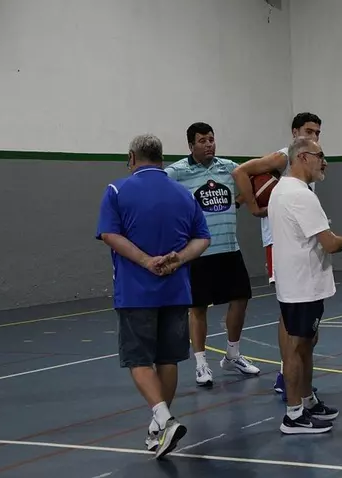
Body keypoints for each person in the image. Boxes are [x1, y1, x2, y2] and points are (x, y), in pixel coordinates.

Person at [96, 134, 211, 458]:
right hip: (176, 292)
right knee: (167, 359)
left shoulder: (117, 190)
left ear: (132, 158)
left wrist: (147, 261)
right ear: (161, 158)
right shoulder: (183, 193)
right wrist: (179, 258)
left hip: (135, 293)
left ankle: (164, 419)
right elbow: (202, 239)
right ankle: (159, 428)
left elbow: (110, 234)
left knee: (138, 360)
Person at [230, 112, 323, 399]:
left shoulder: (307, 161)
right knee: (288, 312)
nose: (314, 136)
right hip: (279, 242)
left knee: (297, 314)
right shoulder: (283, 157)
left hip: (296, 241)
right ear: (295, 132)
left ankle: (293, 377)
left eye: (317, 132)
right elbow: (240, 172)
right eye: (308, 130)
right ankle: (286, 375)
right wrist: (253, 207)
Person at [165, 122, 261, 387]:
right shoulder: (177, 172)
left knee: (240, 299)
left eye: (211, 139)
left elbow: (251, 180)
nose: (208, 144)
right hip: (198, 251)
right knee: (198, 308)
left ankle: (232, 355)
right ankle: (201, 364)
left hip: (229, 248)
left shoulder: (229, 168)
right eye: (202, 141)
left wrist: (238, 202)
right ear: (191, 145)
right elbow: (159, 189)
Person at [268, 137, 342, 434]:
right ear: (302, 157)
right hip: (302, 285)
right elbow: (330, 243)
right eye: (320, 156)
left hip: (298, 282)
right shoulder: (300, 195)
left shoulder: (283, 189)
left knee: (306, 344)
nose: (324, 162)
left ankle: (307, 401)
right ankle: (293, 415)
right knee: (297, 347)